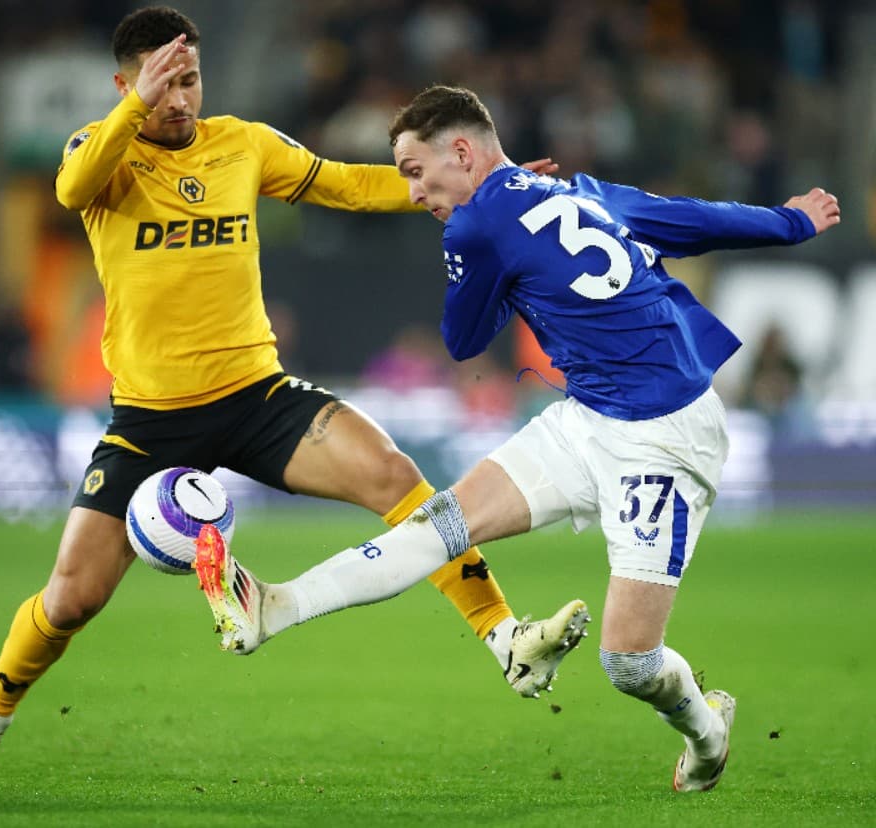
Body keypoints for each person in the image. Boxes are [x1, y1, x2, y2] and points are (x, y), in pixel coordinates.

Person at [0, 9, 573, 779]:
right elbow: (70, 189)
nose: (179, 99)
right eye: (161, 83)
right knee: (69, 600)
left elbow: (351, 187)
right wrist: (137, 104)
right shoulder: (100, 154)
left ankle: (506, 640)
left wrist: (480, 188)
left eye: (190, 80)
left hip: (258, 398)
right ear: (124, 84)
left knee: (398, 478)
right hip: (148, 425)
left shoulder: (243, 143)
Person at [196, 85, 841, 793]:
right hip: (586, 417)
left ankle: (706, 731)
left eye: (416, 171)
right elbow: (683, 219)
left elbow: (464, 339)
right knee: (437, 525)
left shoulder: (475, 229)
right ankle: (275, 605)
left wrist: (486, 269)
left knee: (628, 662)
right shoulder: (577, 189)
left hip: (663, 440)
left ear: (464, 152)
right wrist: (790, 222)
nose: (413, 193)